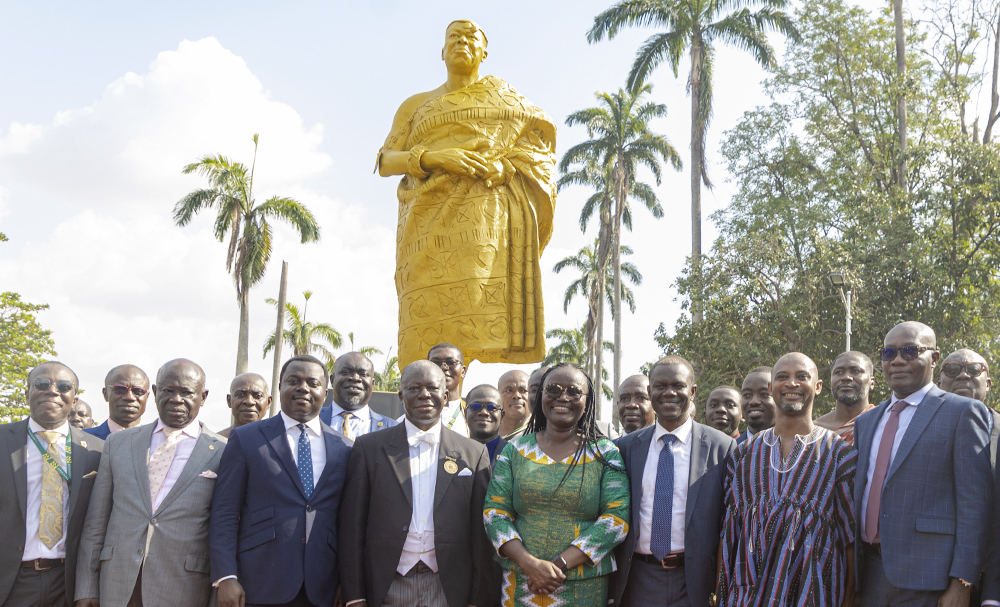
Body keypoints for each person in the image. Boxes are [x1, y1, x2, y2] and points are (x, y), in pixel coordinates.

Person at [378, 19, 557, 368]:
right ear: (442, 52)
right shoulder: (416, 104)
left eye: (471, 37)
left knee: (480, 313)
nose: (463, 42)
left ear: (484, 52)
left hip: (486, 225)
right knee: (423, 324)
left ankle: (468, 401)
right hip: (426, 224)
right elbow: (385, 161)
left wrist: (506, 166)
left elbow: (537, 152)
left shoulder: (512, 102)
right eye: (454, 37)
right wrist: (434, 157)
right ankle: (429, 400)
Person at [854, 322, 991, 607]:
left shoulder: (962, 413)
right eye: (889, 353)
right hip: (868, 575)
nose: (898, 360)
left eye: (910, 350)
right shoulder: (866, 422)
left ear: (935, 358)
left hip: (930, 580)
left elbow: (974, 506)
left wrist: (962, 583)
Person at [340, 360, 494, 607]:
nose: (424, 395)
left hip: (448, 586)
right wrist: (354, 595)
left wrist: (478, 598)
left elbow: (481, 534)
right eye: (414, 388)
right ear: (401, 395)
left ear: (445, 396)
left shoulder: (473, 454)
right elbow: (352, 527)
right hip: (386, 583)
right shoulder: (369, 448)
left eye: (432, 388)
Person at [75, 359, 225, 607]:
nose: (176, 399)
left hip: (184, 586)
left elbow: (225, 528)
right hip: (118, 583)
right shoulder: (119, 443)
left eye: (186, 392)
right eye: (168, 391)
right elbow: (96, 523)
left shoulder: (222, 451)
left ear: (203, 396)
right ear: (155, 392)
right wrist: (87, 587)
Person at [211, 355, 352, 607]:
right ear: (279, 388)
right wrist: (226, 576)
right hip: (259, 582)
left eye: (312, 382)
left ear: (325, 391)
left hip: (322, 587)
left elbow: (348, 522)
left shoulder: (345, 448)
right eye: (294, 381)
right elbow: (225, 512)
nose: (303, 388)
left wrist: (347, 581)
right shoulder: (246, 439)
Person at [484, 363, 630, 607]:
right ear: (541, 395)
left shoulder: (605, 453)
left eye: (574, 391)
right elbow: (494, 513)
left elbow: (617, 519)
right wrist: (530, 564)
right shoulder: (514, 451)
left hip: (584, 587)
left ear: (587, 399)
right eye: (553, 389)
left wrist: (558, 565)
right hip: (521, 583)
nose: (563, 397)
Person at [718, 352, 857, 607]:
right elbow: (729, 533)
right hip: (746, 596)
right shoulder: (743, 454)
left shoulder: (840, 455)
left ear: (817, 386)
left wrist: (849, 600)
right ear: (772, 388)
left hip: (814, 595)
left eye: (801, 377)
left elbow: (851, 541)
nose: (792, 383)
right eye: (783, 377)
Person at [611, 357, 734, 607]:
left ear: (693, 391)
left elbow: (729, 521)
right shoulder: (625, 448)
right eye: (660, 386)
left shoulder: (722, 447)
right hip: (639, 578)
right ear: (650, 391)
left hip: (695, 581)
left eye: (678, 385)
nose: (669, 393)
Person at [0, 362, 104, 607]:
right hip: (11, 581)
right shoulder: (3, 440)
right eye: (42, 384)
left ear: (74, 399)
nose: (53, 391)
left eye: (64, 386)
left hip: (67, 582)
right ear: (26, 394)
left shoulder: (97, 451)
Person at [319, 352, 397, 438]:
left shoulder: (392, 429)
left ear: (372, 383)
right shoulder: (311, 420)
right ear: (332, 380)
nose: (355, 378)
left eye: (363, 374)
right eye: (346, 372)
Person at [815, 351, 876, 445]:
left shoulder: (882, 423)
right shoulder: (815, 431)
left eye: (855, 371)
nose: (846, 377)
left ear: (871, 382)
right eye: (839, 372)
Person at [86, 364, 150, 440]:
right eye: (120, 390)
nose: (129, 397)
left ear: (147, 396)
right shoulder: (81, 441)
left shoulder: (157, 441)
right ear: (105, 394)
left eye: (138, 391)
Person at [426, 343, 469, 436]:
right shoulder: (411, 417)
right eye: (435, 363)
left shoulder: (471, 415)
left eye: (451, 362)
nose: (443, 367)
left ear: (463, 371)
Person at [218, 373, 271, 439]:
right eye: (240, 394)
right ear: (229, 401)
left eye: (258, 396)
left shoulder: (279, 443)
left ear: (268, 402)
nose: (249, 401)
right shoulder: (215, 443)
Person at [465, 384, 507, 465]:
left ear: (502, 416)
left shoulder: (515, 455)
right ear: (465, 413)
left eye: (492, 407)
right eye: (475, 406)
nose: (484, 412)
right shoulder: (452, 453)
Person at [737, 366, 775, 443]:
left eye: (764, 394)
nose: (753, 401)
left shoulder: (797, 448)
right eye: (747, 395)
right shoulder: (731, 451)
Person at [497, 370, 530, 440]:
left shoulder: (540, 433)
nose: (517, 395)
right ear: (498, 396)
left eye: (523, 391)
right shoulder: (487, 431)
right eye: (509, 390)